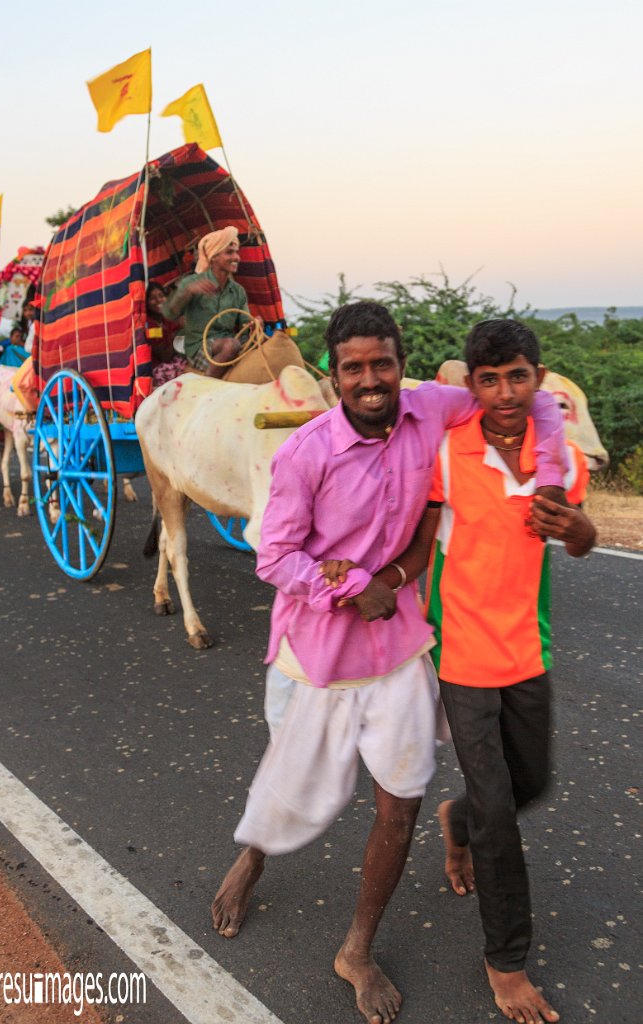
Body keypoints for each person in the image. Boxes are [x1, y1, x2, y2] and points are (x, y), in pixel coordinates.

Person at [210, 302, 569, 1024]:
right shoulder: (305, 451)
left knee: (398, 804)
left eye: (382, 364)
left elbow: (536, 399)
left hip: (400, 648)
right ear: (333, 374)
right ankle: (254, 856)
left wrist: (553, 476)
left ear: (402, 365)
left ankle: (356, 950)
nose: (370, 380)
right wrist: (344, 586)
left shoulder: (431, 411)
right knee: (293, 779)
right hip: (315, 651)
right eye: (353, 367)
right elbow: (274, 555)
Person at [325, 318, 595, 1024]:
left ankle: (457, 822)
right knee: (501, 811)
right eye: (488, 379)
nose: (504, 392)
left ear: (539, 380)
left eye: (517, 376)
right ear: (470, 386)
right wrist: (368, 582)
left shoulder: (557, 457)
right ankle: (505, 962)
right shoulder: (449, 451)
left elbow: (581, 539)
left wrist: (576, 531)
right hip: (463, 652)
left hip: (527, 650)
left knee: (531, 782)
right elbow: (416, 537)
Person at [160, 226, 251, 378]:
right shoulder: (191, 283)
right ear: (214, 257)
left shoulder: (238, 291)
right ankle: (207, 385)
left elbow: (245, 324)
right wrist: (187, 292)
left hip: (229, 342)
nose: (236, 257)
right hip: (199, 346)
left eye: (237, 252)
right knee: (231, 345)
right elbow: (169, 313)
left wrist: (254, 324)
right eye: (229, 252)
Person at [145, 281, 188, 387]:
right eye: (152, 298)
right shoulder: (149, 325)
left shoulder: (166, 318)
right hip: (159, 368)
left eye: (161, 296)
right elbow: (165, 356)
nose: (159, 300)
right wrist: (178, 331)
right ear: (146, 303)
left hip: (174, 361)